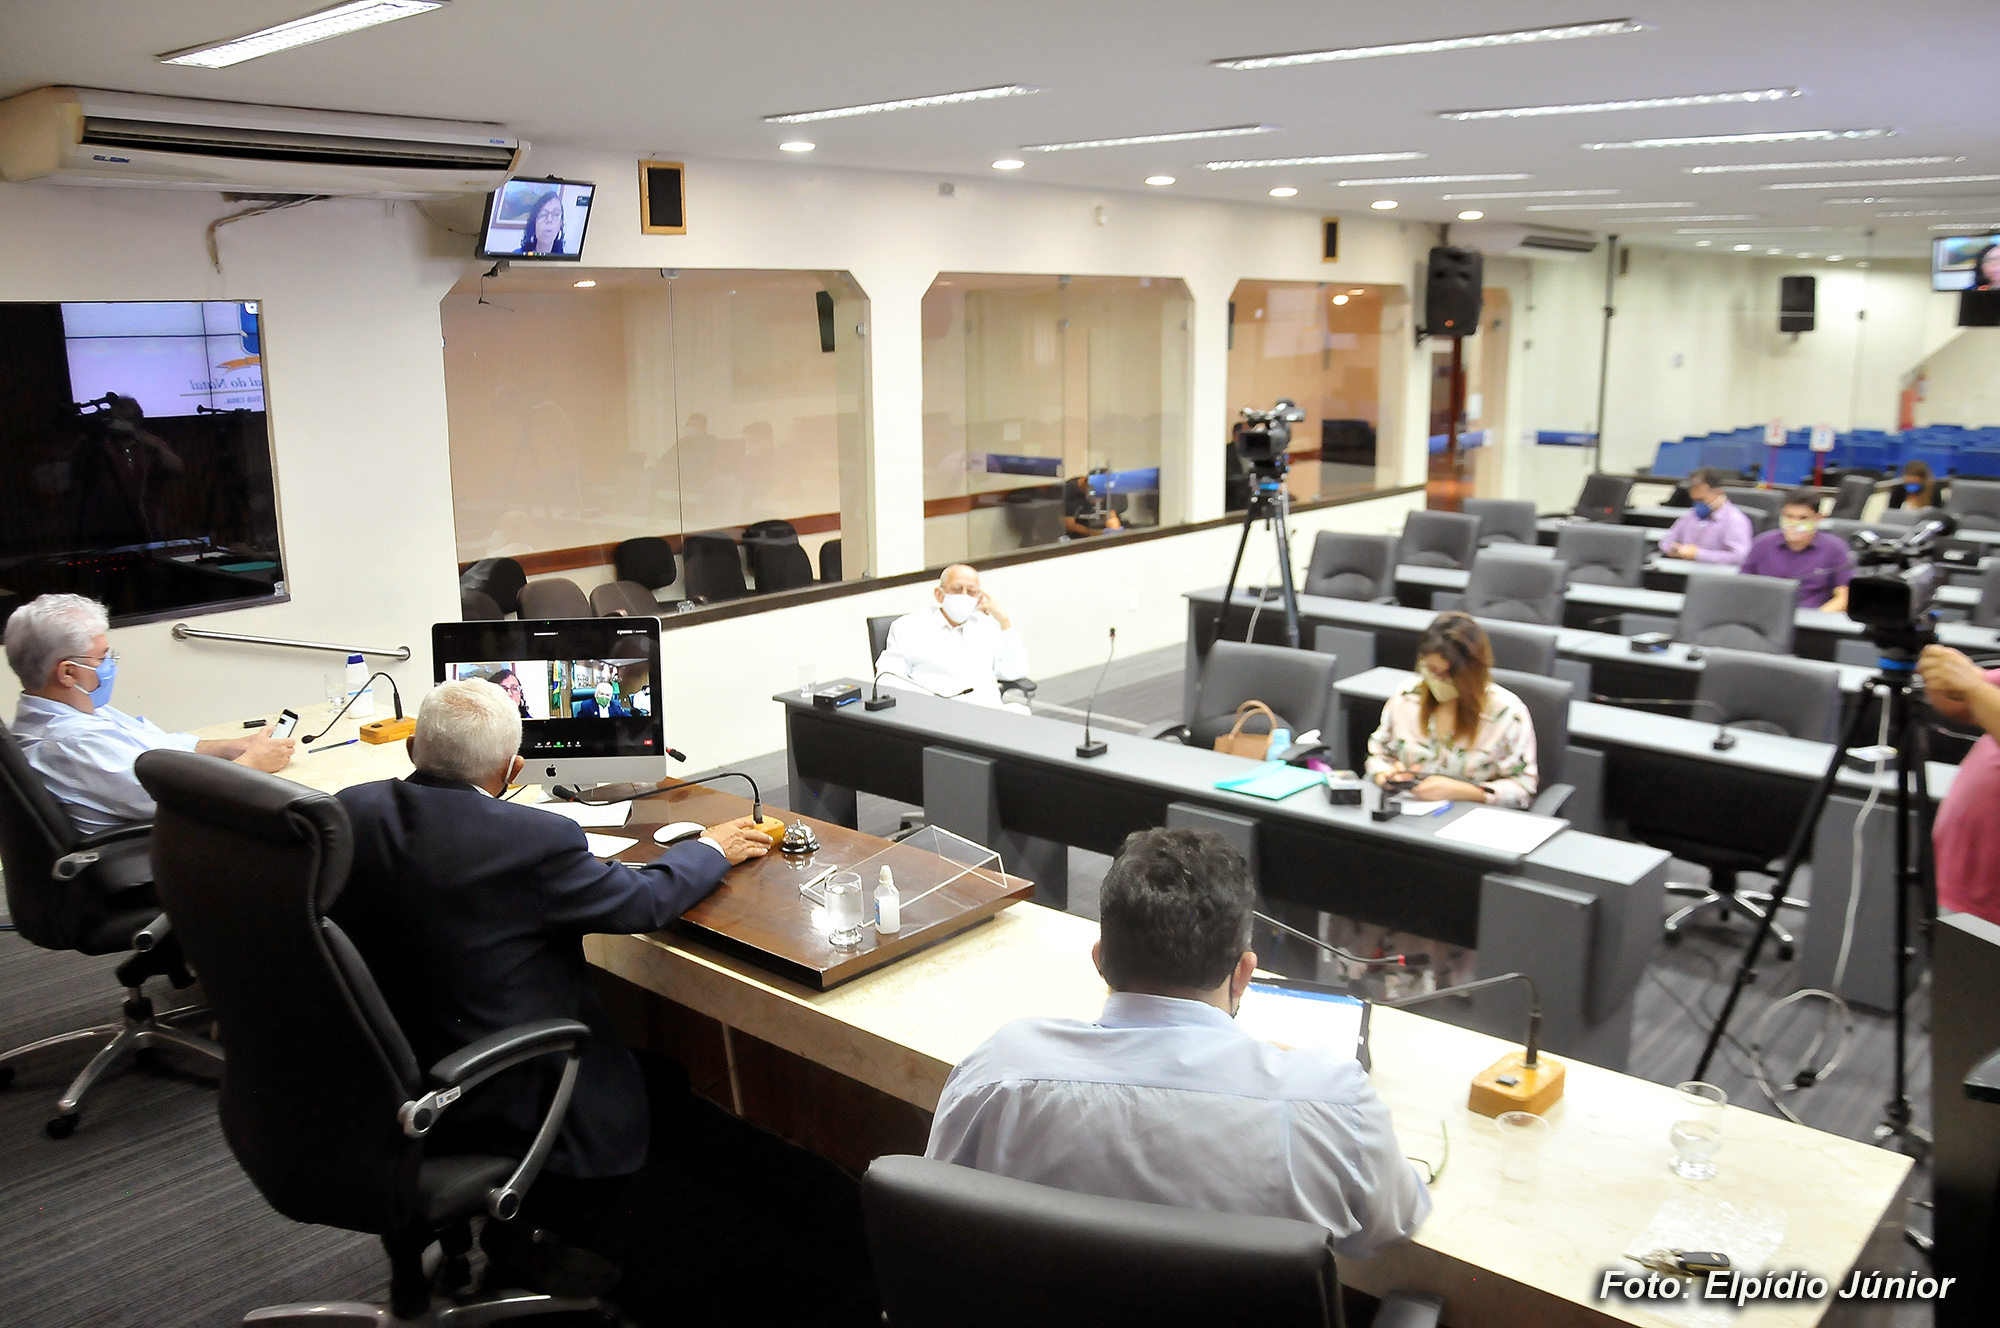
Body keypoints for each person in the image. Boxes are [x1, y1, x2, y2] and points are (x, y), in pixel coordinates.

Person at [329, 680, 775, 1268]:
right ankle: (551, 1235)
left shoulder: (348, 810)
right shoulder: (532, 839)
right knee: (660, 1082)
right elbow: (643, 903)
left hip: (385, 1077)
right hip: (496, 1088)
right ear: (514, 768)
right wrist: (709, 849)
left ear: (414, 749)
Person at [926, 827, 1431, 1260]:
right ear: (1244, 973)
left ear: (1100, 960)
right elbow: (1392, 1224)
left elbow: (937, 1220)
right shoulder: (1333, 1106)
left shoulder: (997, 1075)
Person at [4, 593, 295, 834]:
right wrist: (252, 764)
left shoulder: (80, 712)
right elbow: (176, 799)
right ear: (68, 673)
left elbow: (159, 749)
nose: (110, 664)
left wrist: (230, 747)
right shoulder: (71, 741)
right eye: (102, 657)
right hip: (163, 848)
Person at [1367, 611, 1538, 808]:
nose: (1437, 681)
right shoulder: (1407, 696)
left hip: (1473, 815)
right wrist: (1385, 773)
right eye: (1431, 670)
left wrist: (1466, 792)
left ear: (1472, 673)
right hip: (1409, 809)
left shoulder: (1507, 713)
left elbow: (1523, 788)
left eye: (1447, 675)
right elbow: (1379, 754)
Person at [1916, 646, 2000, 925]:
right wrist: (1939, 667)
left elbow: (1976, 692)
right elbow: (1959, 702)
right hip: (1972, 878)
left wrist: (1973, 688)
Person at [874, 564, 1029, 709]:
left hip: (988, 712)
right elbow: (888, 677)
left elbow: (1015, 670)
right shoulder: (910, 626)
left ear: (979, 599)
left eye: (971, 592)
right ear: (939, 594)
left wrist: (1004, 620)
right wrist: (925, 700)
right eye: (957, 589)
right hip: (935, 712)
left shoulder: (987, 626)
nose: (964, 595)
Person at [1738, 488, 1856, 612]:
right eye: (1789, 516)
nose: (1794, 523)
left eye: (1803, 518)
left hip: (1812, 617)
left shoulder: (1835, 548)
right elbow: (1742, 587)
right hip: (1764, 614)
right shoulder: (1762, 543)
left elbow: (1844, 596)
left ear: (1818, 519)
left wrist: (1817, 617)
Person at [1660, 467, 1754, 565]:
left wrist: (1698, 554)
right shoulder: (1690, 515)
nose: (1698, 505)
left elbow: (1740, 557)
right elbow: (1665, 542)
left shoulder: (1735, 520)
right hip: (1684, 569)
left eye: (1701, 500)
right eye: (1695, 500)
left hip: (1716, 572)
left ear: (1719, 493)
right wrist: (1675, 549)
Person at [516, 190, 565, 256]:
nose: (549, 219)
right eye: (543, 214)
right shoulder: (517, 255)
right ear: (534, 223)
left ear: (561, 223)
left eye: (555, 214)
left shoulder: (565, 260)